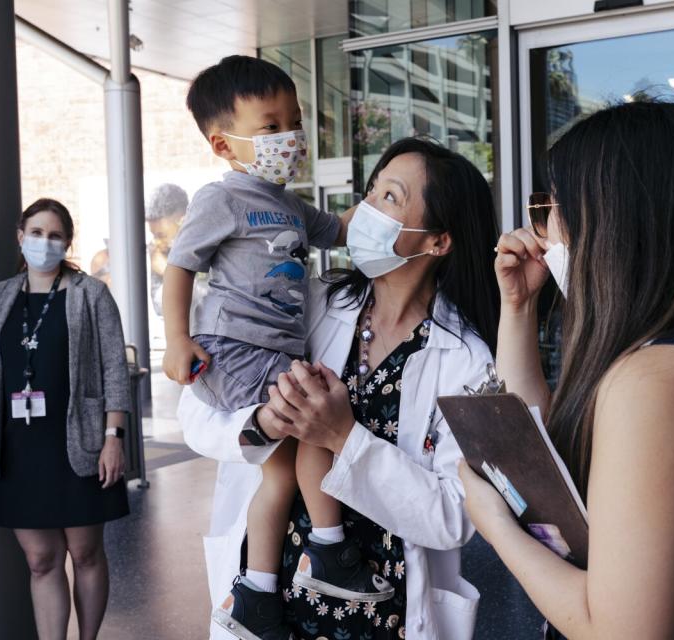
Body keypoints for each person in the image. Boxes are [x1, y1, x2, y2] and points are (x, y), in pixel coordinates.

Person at [458, 102, 674, 639]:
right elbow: (536, 444)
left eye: (551, 206)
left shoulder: (656, 383)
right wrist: (518, 308)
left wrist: (496, 526)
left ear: (614, 221)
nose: (543, 229)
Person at [178, 137, 499, 640]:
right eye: (372, 191)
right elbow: (195, 410)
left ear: (438, 241)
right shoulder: (305, 301)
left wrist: (345, 438)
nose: (365, 209)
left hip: (380, 612)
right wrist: (262, 423)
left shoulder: (467, 358)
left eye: (390, 198)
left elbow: (453, 517)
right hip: (272, 602)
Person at [161, 55, 364, 639]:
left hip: (276, 352)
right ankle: (325, 551)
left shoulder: (292, 206)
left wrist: (384, 200)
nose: (289, 137)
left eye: (294, 121)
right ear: (224, 144)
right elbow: (180, 268)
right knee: (313, 423)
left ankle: (258, 591)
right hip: (234, 347)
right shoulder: (219, 199)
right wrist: (177, 339)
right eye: (271, 126)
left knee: (279, 472)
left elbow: (342, 229)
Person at [0, 198, 130, 640]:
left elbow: (114, 368)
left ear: (68, 242)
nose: (44, 243)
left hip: (81, 441)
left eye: (54, 236)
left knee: (86, 553)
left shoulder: (91, 294)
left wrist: (114, 436)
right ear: (20, 235)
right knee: (40, 560)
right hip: (18, 447)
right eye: (36, 233)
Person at [146, 183, 190, 316]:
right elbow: (159, 308)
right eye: (154, 235)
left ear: (183, 221)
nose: (157, 242)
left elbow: (205, 300)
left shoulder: (204, 248)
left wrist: (166, 270)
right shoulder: (157, 252)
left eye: (161, 235)